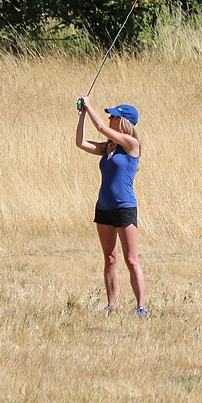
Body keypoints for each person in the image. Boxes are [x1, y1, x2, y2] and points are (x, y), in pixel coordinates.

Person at [76, 97, 147, 317]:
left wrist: (89, 106)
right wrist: (82, 115)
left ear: (123, 121)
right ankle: (111, 304)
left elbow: (101, 127)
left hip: (124, 207)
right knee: (109, 258)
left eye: (114, 116)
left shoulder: (131, 144)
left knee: (131, 259)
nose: (109, 118)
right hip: (104, 207)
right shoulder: (108, 146)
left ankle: (140, 307)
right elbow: (80, 143)